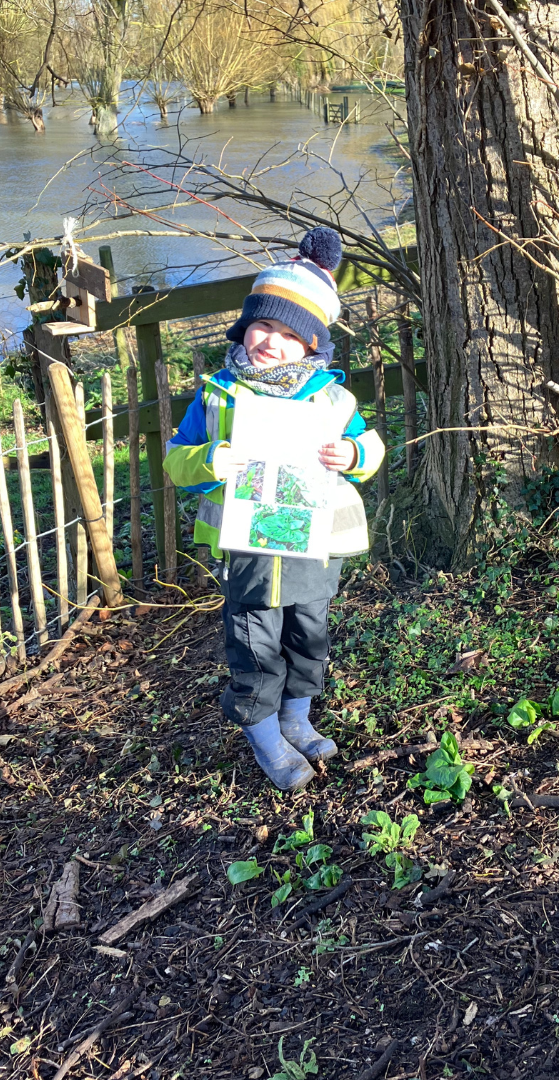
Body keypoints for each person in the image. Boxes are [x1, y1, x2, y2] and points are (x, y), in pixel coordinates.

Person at [164, 228, 385, 790]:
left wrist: (354, 453)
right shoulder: (218, 394)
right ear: (244, 326)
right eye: (263, 325)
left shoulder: (331, 399)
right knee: (254, 642)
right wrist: (211, 459)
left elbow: (371, 448)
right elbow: (175, 462)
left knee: (309, 634)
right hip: (248, 550)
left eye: (291, 334)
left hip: (315, 546)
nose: (271, 341)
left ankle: (297, 719)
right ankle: (264, 735)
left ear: (312, 345)